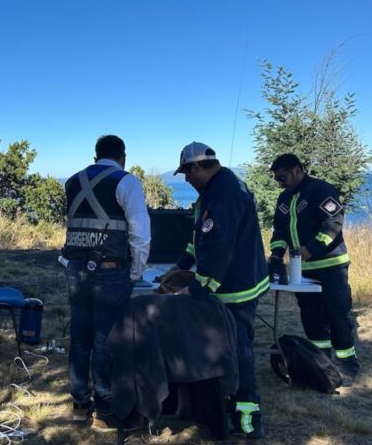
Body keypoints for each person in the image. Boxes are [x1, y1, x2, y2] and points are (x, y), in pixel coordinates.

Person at [163, 142, 269, 439]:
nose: (186, 180)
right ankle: (222, 401)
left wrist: (195, 290)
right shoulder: (216, 190)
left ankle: (247, 418)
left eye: (187, 173)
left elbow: (219, 248)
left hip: (237, 288)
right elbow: (201, 240)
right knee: (228, 348)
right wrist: (180, 265)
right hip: (238, 281)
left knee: (239, 351)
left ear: (199, 166)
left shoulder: (223, 195)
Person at [61, 135, 151, 431]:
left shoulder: (72, 181)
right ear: (122, 155)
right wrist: (136, 273)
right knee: (104, 340)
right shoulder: (126, 182)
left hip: (75, 270)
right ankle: (104, 410)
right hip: (110, 272)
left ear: (95, 155)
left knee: (80, 338)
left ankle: (78, 405)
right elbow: (140, 233)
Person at [267, 153, 360, 385]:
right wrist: (277, 253)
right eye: (277, 179)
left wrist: (312, 248)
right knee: (310, 315)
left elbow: (334, 222)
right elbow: (279, 231)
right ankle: (322, 361)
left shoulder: (321, 190)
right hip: (303, 270)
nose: (280, 182)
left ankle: (347, 362)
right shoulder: (283, 199)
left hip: (331, 266)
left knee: (337, 314)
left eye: (283, 177)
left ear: (298, 170)